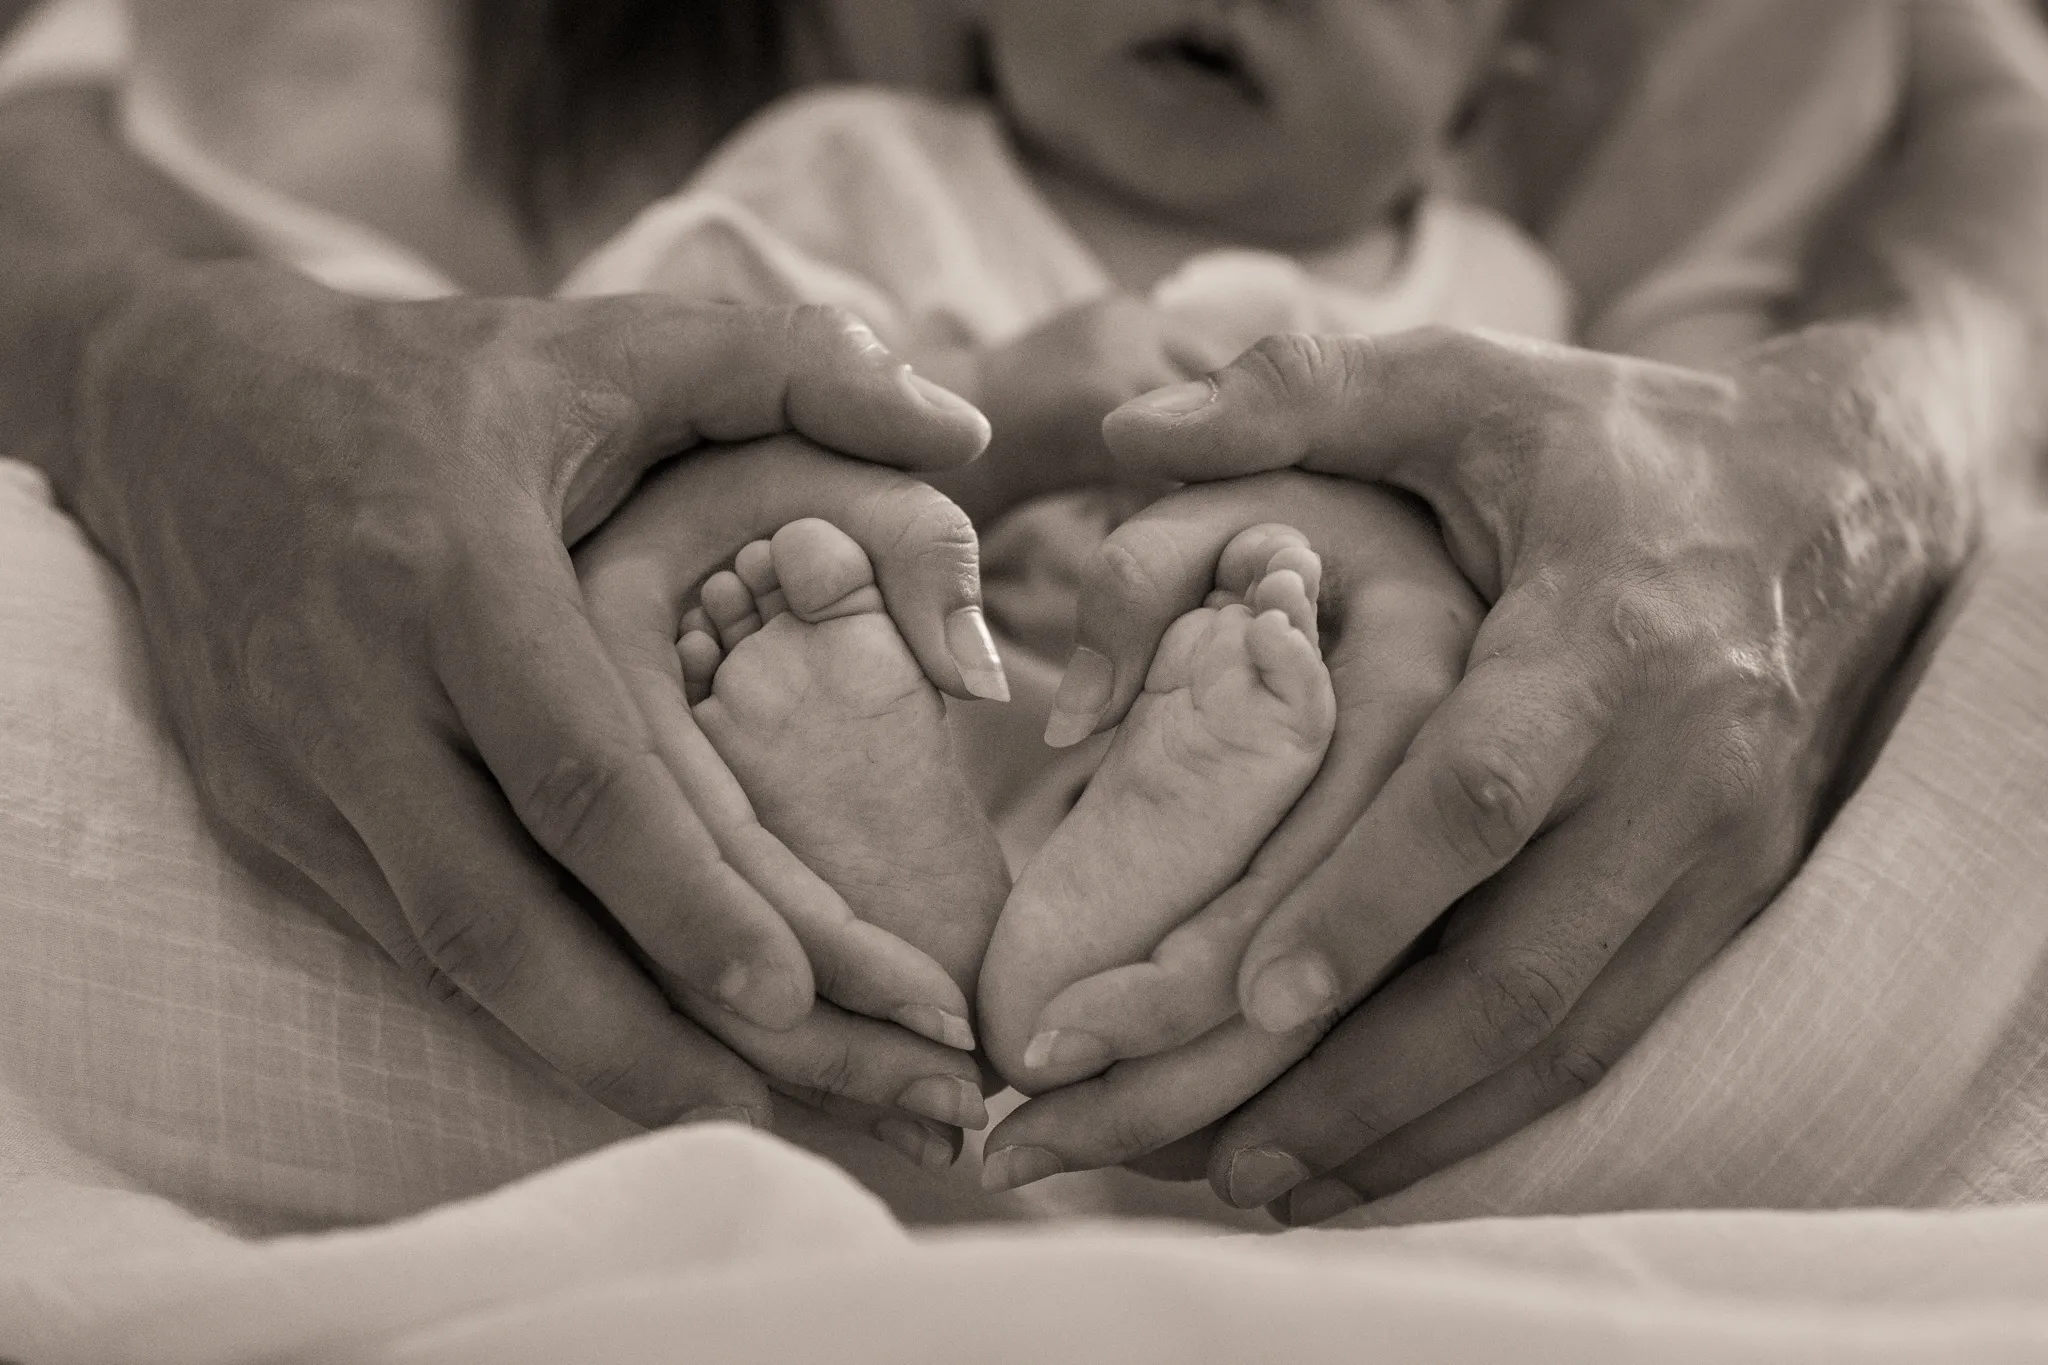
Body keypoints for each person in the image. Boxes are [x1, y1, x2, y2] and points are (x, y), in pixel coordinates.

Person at [0, 0, 2043, 1217]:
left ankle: (1115, 884)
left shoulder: (1508, 292)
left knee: (1385, 714)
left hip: (1271, 798)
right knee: (780, 589)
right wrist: (980, 425)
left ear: (1492, 81)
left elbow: (1636, 501)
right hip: (945, 654)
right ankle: (920, 853)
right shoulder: (867, 158)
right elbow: (663, 350)